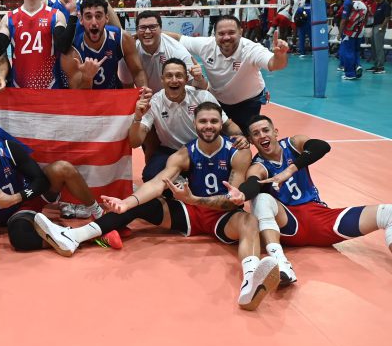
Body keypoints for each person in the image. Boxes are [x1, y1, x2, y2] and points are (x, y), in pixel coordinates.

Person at [34, 102, 279, 311]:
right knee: (140, 204)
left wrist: (193, 199)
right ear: (195, 124)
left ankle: (250, 281)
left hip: (222, 216)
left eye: (214, 121)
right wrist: (126, 202)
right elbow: (156, 183)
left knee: (249, 221)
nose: (208, 126)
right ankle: (74, 237)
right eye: (203, 121)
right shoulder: (184, 153)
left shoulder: (238, 153)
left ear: (220, 124)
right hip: (190, 213)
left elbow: (229, 202)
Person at [235, 115, 392, 287]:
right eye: (256, 134)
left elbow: (321, 146)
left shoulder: (294, 144)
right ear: (251, 140)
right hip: (289, 224)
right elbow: (252, 184)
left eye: (266, 130)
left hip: (320, 219)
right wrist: (240, 194)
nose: (262, 135)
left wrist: (290, 170)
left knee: (388, 212)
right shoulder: (258, 165)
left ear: (275, 132)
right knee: (261, 198)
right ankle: (280, 263)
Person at [0, 126, 107, 255]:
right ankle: (77, 236)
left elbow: (41, 181)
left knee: (62, 168)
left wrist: (14, 198)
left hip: (32, 195)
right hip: (16, 215)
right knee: (19, 238)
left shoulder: (8, 149)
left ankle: (100, 215)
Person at [166, 15, 289, 132]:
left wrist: (280, 56)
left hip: (248, 102)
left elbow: (274, 64)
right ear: (214, 34)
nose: (226, 37)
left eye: (231, 33)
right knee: (216, 136)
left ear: (240, 32)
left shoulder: (251, 49)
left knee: (244, 139)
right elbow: (178, 38)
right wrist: (152, 33)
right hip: (218, 99)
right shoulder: (206, 45)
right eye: (221, 33)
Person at [129, 58, 246, 181]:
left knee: (234, 161)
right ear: (162, 79)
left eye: (179, 76)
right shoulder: (154, 103)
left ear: (186, 79)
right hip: (170, 151)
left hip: (202, 148)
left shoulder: (203, 96)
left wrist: (240, 136)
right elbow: (135, 142)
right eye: (169, 76)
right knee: (150, 176)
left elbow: (227, 124)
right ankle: (174, 196)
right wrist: (137, 117)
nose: (174, 80)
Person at [0, 0, 75, 89]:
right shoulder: (9, 18)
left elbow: (63, 46)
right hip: (19, 89)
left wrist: (72, 14)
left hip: (51, 89)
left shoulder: (56, 15)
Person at [60, 0, 145, 89]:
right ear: (81, 20)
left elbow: (137, 72)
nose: (94, 22)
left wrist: (144, 93)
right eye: (88, 16)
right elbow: (79, 95)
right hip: (86, 101)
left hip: (114, 95)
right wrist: (87, 77)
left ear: (107, 18)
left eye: (98, 16)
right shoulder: (73, 49)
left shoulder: (122, 37)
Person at [122, 11, 207, 91]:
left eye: (152, 27)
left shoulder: (177, 50)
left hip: (171, 99)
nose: (147, 31)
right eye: (142, 28)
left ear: (161, 29)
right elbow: (127, 87)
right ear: (136, 30)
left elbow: (201, 88)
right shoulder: (129, 53)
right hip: (143, 98)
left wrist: (199, 79)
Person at [337, 0, 368, 80]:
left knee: (347, 52)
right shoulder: (364, 4)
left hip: (349, 32)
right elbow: (366, 19)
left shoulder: (350, 4)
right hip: (360, 32)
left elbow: (343, 20)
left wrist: (339, 33)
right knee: (356, 51)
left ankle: (350, 74)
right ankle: (357, 66)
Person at [368, 0, 389, 74]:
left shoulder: (385, 5)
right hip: (374, 26)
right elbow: (377, 16)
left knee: (379, 47)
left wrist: (381, 28)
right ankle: (376, 65)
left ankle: (381, 67)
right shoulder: (378, 5)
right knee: (374, 47)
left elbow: (387, 17)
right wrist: (370, 11)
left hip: (379, 27)